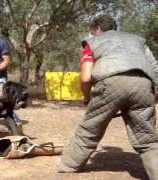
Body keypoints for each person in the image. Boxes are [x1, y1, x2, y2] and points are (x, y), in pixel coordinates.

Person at [58, 14, 158, 180]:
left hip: (111, 83)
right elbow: (154, 67)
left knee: (90, 128)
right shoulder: (138, 41)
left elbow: (85, 78)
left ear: (98, 29)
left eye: (93, 31)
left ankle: (68, 165)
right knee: (147, 138)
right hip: (143, 84)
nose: (92, 34)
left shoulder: (92, 43)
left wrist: (87, 97)